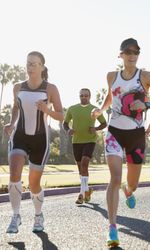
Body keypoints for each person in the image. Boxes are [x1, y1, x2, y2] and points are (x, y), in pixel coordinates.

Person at [91, 38, 150, 247]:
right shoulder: (111, 76)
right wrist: (100, 109)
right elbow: (110, 97)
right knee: (114, 178)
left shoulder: (146, 76)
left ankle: (128, 190)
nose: (132, 55)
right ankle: (112, 229)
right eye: (128, 51)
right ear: (121, 54)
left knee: (132, 185)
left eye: (136, 51)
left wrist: (146, 104)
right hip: (114, 132)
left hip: (136, 135)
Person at [4, 51, 64, 233]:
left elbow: (61, 116)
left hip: (40, 140)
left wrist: (47, 109)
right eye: (28, 63)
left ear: (42, 67)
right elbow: (16, 107)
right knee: (14, 171)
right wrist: (12, 123)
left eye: (34, 64)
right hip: (20, 136)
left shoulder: (50, 89)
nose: (30, 67)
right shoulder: (17, 87)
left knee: (34, 183)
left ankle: (38, 216)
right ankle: (15, 216)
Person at [63, 88, 107, 204]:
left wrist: (96, 129)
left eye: (86, 95)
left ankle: (81, 195)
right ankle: (87, 190)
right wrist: (68, 130)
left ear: (90, 96)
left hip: (90, 141)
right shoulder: (72, 109)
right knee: (80, 169)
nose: (84, 97)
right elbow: (65, 123)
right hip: (76, 142)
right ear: (79, 96)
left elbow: (104, 123)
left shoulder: (94, 110)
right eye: (82, 95)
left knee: (84, 164)